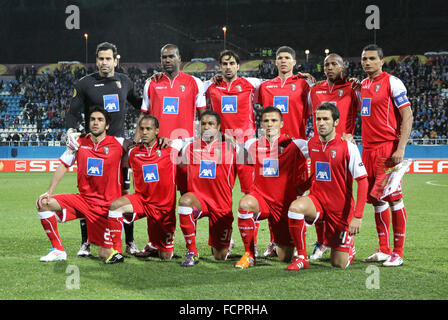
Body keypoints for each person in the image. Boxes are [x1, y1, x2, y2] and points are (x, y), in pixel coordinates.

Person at [65, 42, 142, 257]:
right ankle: (86, 242)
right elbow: (72, 113)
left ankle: (130, 241)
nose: (104, 62)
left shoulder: (124, 81)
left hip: (118, 150)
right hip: (94, 149)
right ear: (96, 60)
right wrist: (72, 131)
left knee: (124, 194)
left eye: (108, 58)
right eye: (100, 58)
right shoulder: (84, 84)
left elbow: (141, 105)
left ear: (116, 60)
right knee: (87, 194)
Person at [35, 107, 130, 263]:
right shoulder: (78, 143)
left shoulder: (120, 143)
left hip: (106, 207)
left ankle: (115, 245)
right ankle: (58, 250)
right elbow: (63, 165)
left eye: (100, 120)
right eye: (92, 119)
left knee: (105, 254)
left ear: (107, 125)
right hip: (83, 200)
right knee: (43, 203)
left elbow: (140, 146)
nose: (95, 123)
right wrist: (49, 191)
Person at [137, 44, 207, 256]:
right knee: (156, 196)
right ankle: (157, 242)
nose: (167, 60)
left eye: (171, 56)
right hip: (159, 150)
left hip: (185, 146)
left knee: (187, 195)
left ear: (179, 58)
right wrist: (137, 140)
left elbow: (204, 117)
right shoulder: (151, 83)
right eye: (164, 57)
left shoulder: (195, 82)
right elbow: (144, 115)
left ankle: (190, 247)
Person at [286, 103, 368, 271]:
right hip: (317, 201)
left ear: (336, 122)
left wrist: (357, 216)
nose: (321, 123)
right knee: (295, 208)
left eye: (326, 119)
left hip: (340, 211)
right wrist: (300, 188)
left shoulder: (348, 147)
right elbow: (311, 169)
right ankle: (302, 257)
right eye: (318, 119)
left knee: (338, 263)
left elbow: (363, 181)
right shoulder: (311, 143)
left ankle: (348, 247)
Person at [256, 46, 314, 258]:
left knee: (296, 194)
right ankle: (274, 241)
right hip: (272, 149)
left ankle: (301, 244)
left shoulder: (303, 84)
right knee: (272, 195)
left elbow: (312, 111)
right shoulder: (265, 86)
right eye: (279, 58)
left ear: (294, 61)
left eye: (287, 58)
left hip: (295, 148)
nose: (283, 61)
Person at [105, 114, 187, 263]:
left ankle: (154, 246)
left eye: (148, 129)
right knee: (115, 206)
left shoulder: (171, 148)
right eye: (141, 129)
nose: (144, 132)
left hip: (164, 209)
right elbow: (114, 144)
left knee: (165, 257)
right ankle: (117, 252)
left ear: (157, 131)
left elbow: (192, 140)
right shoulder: (133, 153)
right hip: (142, 202)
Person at [359, 44, 413, 267]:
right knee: (376, 200)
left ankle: (397, 252)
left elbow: (407, 115)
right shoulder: (362, 85)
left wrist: (400, 148)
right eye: (364, 59)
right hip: (368, 150)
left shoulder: (392, 82)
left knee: (394, 199)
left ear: (381, 61)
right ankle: (383, 249)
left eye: (372, 58)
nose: (367, 62)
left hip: (387, 148)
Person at [235, 106, 308, 269]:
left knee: (284, 257)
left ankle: (280, 245)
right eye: (266, 121)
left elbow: (320, 157)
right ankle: (249, 254)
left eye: (274, 120)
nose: (270, 124)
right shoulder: (251, 144)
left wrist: (303, 187)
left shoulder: (296, 144)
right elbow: (241, 160)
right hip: (261, 200)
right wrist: (248, 188)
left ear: (281, 123)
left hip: (284, 206)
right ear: (261, 124)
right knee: (245, 204)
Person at [306, 53, 362, 260]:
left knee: (342, 195)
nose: (330, 67)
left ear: (343, 66)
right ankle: (322, 242)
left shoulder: (353, 89)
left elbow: (366, 111)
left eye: (334, 64)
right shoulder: (315, 90)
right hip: (320, 148)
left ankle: (346, 239)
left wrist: (352, 135)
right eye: (326, 64)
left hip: (342, 149)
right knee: (318, 193)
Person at [177, 110, 237, 266]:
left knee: (219, 256)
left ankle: (226, 243)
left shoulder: (231, 149)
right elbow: (182, 174)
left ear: (218, 127)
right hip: (199, 202)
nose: (206, 127)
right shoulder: (190, 148)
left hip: (221, 205)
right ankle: (191, 252)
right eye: (203, 124)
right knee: (185, 201)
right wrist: (186, 195)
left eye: (211, 124)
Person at [205, 49, 262, 194]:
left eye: (231, 63)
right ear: (220, 66)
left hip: (246, 143)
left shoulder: (251, 84)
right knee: (220, 191)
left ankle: (248, 216)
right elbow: (188, 86)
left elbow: (277, 85)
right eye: (224, 64)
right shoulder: (210, 87)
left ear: (238, 66)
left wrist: (303, 79)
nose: (228, 67)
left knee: (250, 191)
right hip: (222, 144)